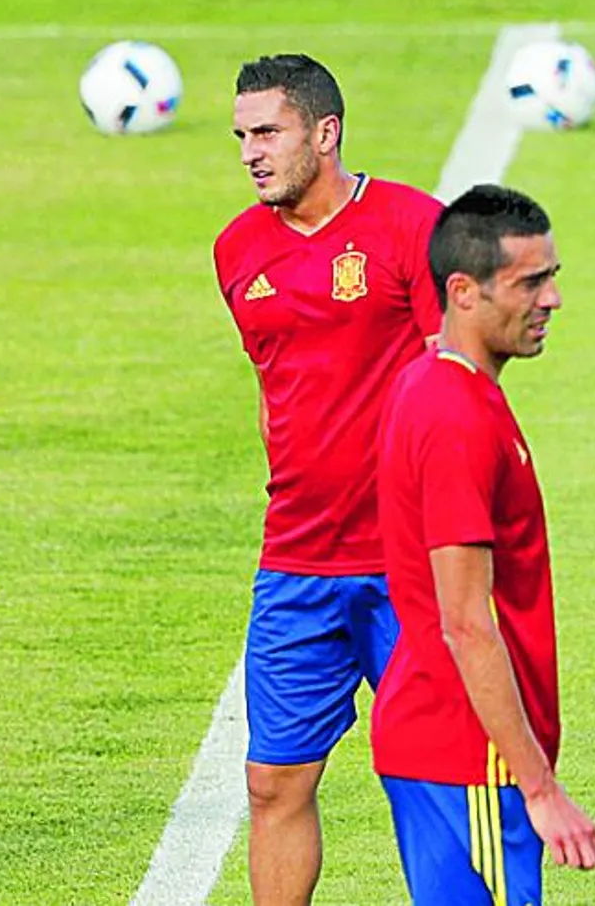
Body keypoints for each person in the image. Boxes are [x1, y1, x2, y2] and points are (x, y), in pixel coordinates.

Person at [211, 54, 444, 905]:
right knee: (274, 782)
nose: (249, 152)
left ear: (325, 131)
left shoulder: (413, 226)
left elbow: (456, 384)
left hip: (412, 563)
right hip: (297, 562)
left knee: (433, 778)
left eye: (267, 131)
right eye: (240, 135)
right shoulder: (236, 249)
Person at [374, 185, 595, 903]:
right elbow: (467, 620)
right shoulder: (455, 419)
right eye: (531, 281)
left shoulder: (438, 384)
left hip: (448, 745)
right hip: (470, 756)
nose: (553, 298)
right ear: (463, 291)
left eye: (552, 275)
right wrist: (540, 788)